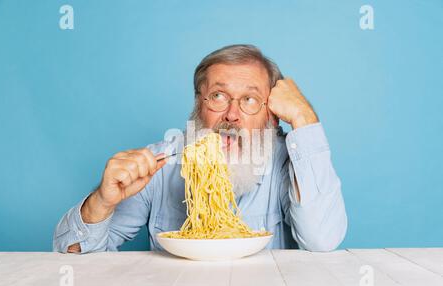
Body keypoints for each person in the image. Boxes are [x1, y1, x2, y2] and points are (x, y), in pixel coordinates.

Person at [53, 44, 347, 253]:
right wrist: (102, 202)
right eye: (219, 96)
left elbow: (322, 241)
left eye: (249, 100)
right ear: (198, 104)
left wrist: (304, 119)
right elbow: (73, 255)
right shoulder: (157, 163)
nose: (232, 115)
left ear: (271, 114)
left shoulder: (287, 165)